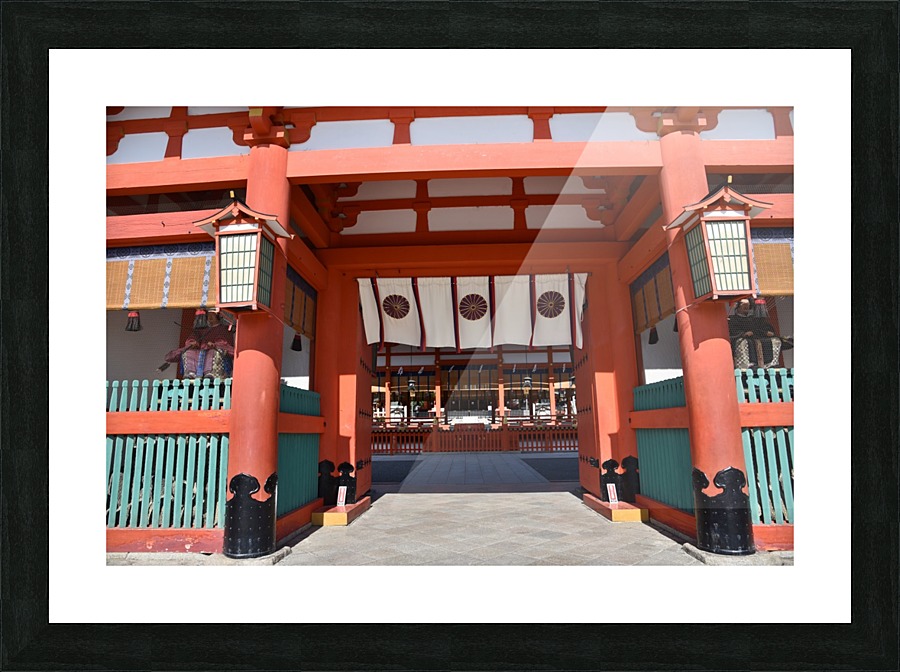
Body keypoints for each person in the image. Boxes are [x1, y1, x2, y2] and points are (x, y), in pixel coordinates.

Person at [728, 298, 780, 369]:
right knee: (743, 342)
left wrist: (766, 332)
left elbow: (763, 326)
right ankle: (747, 364)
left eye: (748, 304)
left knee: (775, 341)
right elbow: (733, 330)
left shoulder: (755, 319)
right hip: (744, 338)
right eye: (743, 304)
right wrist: (743, 334)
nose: (746, 306)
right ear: (737, 306)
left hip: (758, 337)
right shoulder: (733, 319)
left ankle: (771, 363)